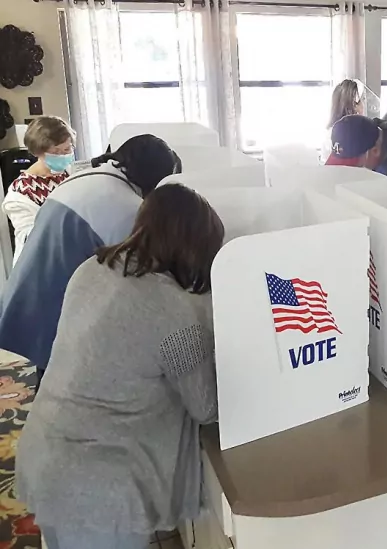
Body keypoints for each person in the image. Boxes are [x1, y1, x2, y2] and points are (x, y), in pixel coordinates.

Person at [17, 183, 223, 548]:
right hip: (99, 489)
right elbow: (206, 407)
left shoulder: (93, 269)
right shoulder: (175, 313)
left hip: (44, 452)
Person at [0, 135, 181, 381]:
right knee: (61, 377)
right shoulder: (121, 204)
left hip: (34, 288)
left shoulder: (85, 179)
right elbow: (138, 272)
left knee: (51, 374)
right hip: (57, 302)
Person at [2, 116, 76, 265]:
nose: (63, 156)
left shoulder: (70, 173)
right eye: (56, 152)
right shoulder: (20, 193)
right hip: (41, 262)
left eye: (67, 149)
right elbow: (29, 238)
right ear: (37, 152)